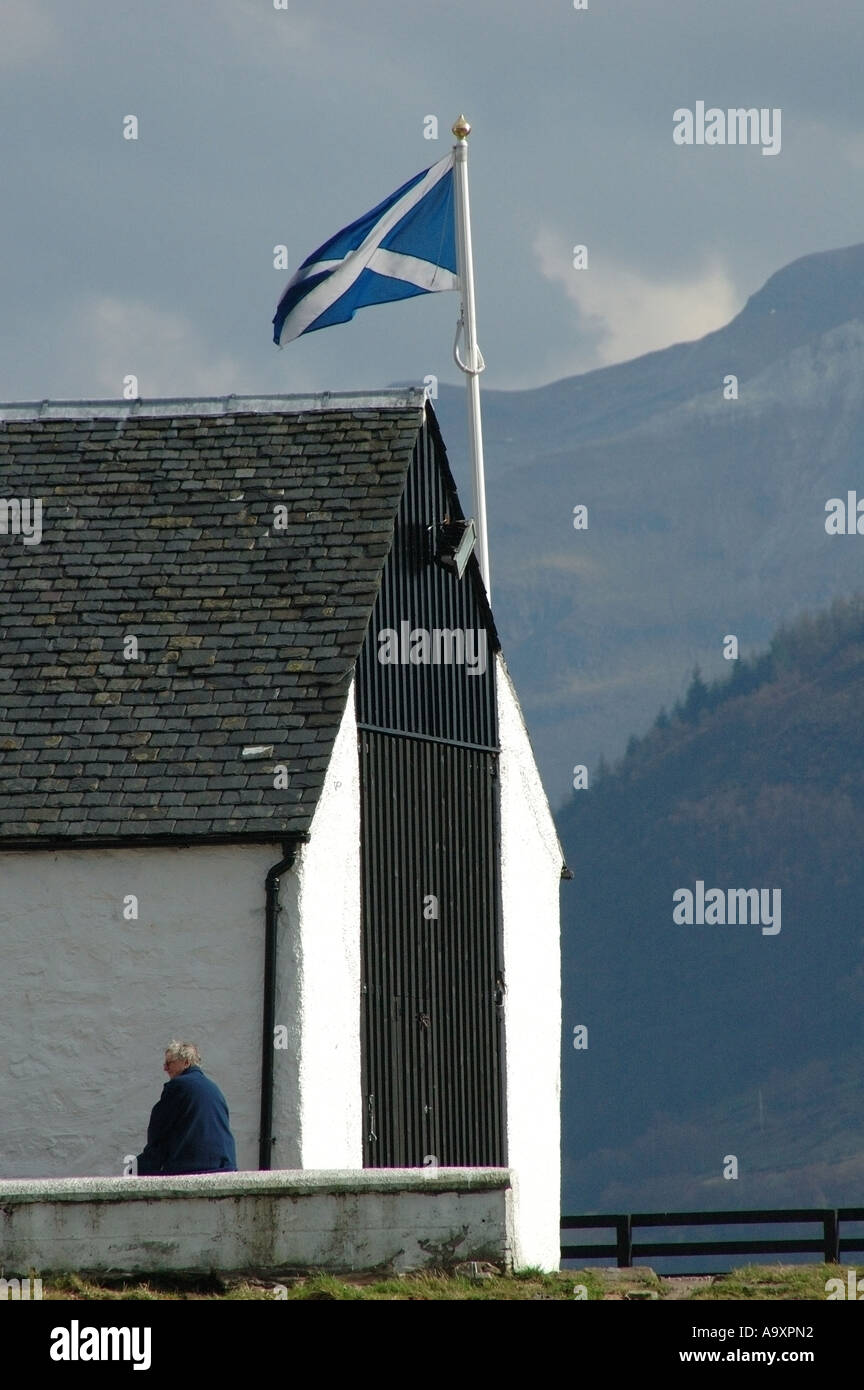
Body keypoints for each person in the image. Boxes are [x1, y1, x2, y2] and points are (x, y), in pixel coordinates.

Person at [136, 1041, 237, 1176]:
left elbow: (159, 1132)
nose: (165, 1068)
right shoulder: (214, 1089)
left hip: (193, 1168)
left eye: (169, 1063)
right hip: (225, 1168)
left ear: (186, 1062)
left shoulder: (179, 1086)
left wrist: (138, 1168)